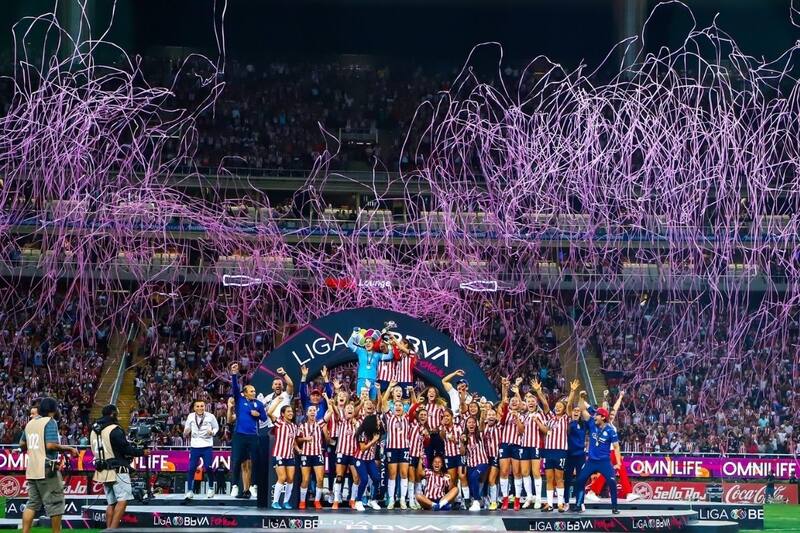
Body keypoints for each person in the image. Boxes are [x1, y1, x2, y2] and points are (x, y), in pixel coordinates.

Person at [20, 397, 79, 533]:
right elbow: (51, 445)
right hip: (46, 468)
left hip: (32, 469)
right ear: (53, 409)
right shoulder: (50, 421)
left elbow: (22, 444)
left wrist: (36, 446)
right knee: (56, 504)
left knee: (32, 504)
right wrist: (69, 448)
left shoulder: (30, 423)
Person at [90, 404, 150, 529]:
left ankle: (108, 530)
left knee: (111, 503)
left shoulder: (94, 431)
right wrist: (141, 452)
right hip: (117, 470)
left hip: (103, 470)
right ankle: (112, 530)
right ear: (113, 414)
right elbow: (126, 449)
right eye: (116, 413)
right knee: (122, 501)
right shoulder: (114, 429)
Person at [572, 406, 622, 514]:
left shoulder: (611, 430)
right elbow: (583, 410)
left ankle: (614, 507)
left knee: (612, 482)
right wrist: (581, 400)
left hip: (604, 462)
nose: (594, 417)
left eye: (597, 415)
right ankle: (579, 504)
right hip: (591, 461)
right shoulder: (592, 424)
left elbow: (616, 447)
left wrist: (618, 463)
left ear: (603, 417)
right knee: (580, 480)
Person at [255, 367, 293, 508]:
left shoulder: (286, 395)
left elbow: (291, 385)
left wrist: (284, 374)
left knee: (289, 477)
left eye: (280, 384)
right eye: (275, 384)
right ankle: (271, 498)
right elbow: (264, 413)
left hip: (284, 428)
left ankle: (286, 501)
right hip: (272, 428)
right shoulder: (267, 398)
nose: (278, 385)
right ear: (272, 386)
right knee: (274, 468)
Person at [229, 362, 267, 499]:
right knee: (237, 460)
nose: (254, 393)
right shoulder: (239, 400)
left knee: (252, 462)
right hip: (239, 435)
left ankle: (251, 487)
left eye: (254, 391)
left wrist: (258, 415)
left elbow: (264, 418)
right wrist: (234, 374)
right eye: (251, 391)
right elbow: (235, 388)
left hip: (253, 436)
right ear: (244, 393)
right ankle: (234, 485)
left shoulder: (259, 404)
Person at [540, 380, 578, 511]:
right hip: (548, 452)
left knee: (559, 478)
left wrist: (572, 391)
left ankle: (560, 503)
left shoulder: (566, 418)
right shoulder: (550, 417)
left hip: (561, 451)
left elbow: (569, 405)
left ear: (563, 409)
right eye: (556, 406)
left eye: (560, 406)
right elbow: (545, 404)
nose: (557, 408)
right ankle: (550, 504)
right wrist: (538, 391)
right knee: (549, 478)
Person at [182, 399, 220, 501]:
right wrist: (186, 432)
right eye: (197, 406)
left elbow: (216, 428)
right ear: (194, 408)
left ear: (205, 406)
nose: (200, 408)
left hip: (207, 446)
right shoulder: (190, 416)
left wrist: (212, 432)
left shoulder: (210, 416)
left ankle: (211, 488)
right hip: (195, 447)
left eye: (202, 406)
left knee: (208, 467)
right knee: (191, 468)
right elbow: (185, 431)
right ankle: (190, 491)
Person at [268, 403, 299, 509]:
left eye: (291, 411)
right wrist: (277, 401)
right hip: (279, 454)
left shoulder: (294, 426)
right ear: (282, 414)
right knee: (282, 477)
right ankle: (275, 502)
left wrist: (297, 449)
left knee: (290, 479)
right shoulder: (279, 423)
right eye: (288, 411)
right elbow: (269, 413)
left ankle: (286, 501)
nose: (291, 413)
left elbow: (293, 440)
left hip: (290, 455)